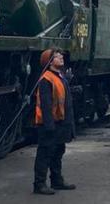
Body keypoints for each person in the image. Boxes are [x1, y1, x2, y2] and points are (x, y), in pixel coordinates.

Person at [33, 48, 76, 195]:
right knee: (45, 153)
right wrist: (49, 125)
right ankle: (39, 184)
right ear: (50, 62)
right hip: (49, 124)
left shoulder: (59, 77)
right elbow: (45, 104)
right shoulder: (46, 79)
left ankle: (57, 180)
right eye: (58, 57)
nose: (61, 58)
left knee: (58, 151)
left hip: (59, 122)